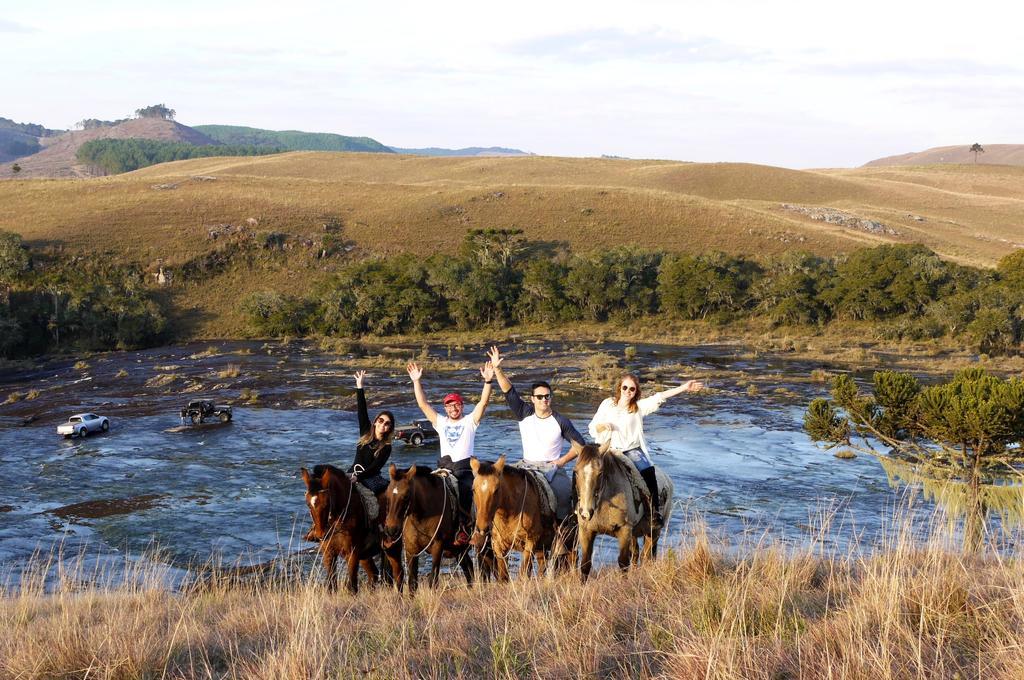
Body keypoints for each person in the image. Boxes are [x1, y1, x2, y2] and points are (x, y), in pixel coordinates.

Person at [588, 373, 705, 524]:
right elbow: (593, 426)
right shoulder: (607, 403)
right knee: (585, 469)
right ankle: (579, 505)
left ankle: (654, 511)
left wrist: (684, 388)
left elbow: (659, 396)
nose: (628, 391)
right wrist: (603, 426)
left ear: (636, 392)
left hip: (630, 450)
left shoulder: (638, 408)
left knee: (648, 471)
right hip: (607, 449)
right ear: (619, 387)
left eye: (632, 389)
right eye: (625, 387)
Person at [486, 345, 586, 521]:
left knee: (565, 495)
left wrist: (561, 461)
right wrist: (497, 369)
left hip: (551, 469)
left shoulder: (561, 421)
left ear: (551, 398)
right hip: (525, 465)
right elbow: (509, 391)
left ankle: (563, 534)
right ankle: (488, 533)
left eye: (547, 396)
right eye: (539, 397)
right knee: (493, 487)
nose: (544, 400)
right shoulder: (524, 412)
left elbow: (580, 445)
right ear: (532, 399)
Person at [407, 360, 494, 545]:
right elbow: (423, 404)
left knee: (465, 493)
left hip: (464, 469)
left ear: (462, 406)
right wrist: (416, 381)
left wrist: (487, 381)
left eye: (456, 405)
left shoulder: (470, 421)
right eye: (449, 406)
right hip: (444, 468)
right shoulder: (441, 422)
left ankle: (464, 529)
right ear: (445, 408)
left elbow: (484, 402)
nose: (453, 409)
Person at [346, 370, 395, 495]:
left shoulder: (386, 447)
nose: (383, 424)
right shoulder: (366, 432)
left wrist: (358, 478)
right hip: (352, 473)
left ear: (389, 428)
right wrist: (360, 386)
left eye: (387, 423)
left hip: (370, 478)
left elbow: (375, 468)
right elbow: (362, 410)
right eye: (381, 420)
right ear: (375, 422)